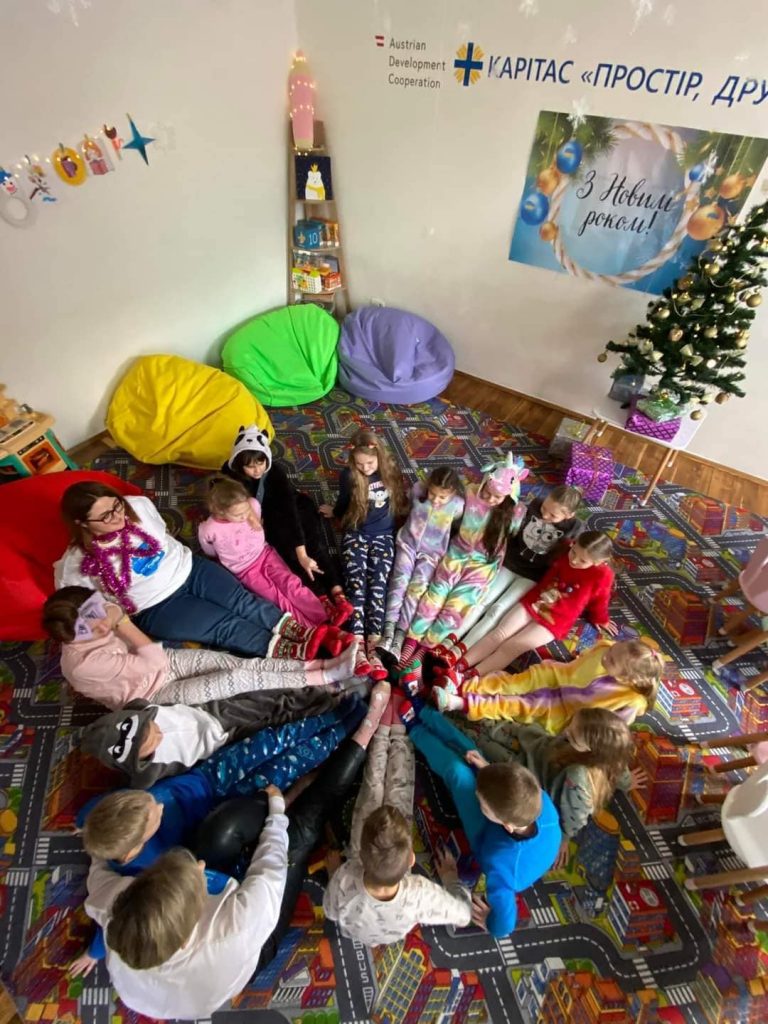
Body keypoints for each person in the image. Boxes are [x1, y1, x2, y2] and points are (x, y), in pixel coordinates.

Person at [82, 685, 392, 1019]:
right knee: (302, 828)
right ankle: (362, 738)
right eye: (197, 878)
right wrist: (276, 816)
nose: (200, 865)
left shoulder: (109, 899)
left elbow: (102, 860)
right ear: (187, 935)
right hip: (255, 942)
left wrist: (95, 830)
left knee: (224, 826)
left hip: (203, 894)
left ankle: (291, 787)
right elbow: (269, 871)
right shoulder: (234, 929)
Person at [54, 482, 339, 659]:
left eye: (117, 505)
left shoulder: (137, 506)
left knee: (244, 602)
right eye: (105, 516)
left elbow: (163, 534)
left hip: (190, 568)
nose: (118, 516)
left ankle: (311, 633)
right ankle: (305, 653)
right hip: (156, 606)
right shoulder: (76, 564)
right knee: (225, 627)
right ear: (82, 523)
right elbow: (80, 606)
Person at [42, 585, 358, 710]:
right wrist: (122, 622)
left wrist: (109, 613)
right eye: (89, 629)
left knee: (237, 663)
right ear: (70, 638)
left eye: (96, 613)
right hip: (149, 695)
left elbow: (111, 610)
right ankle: (325, 678)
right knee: (237, 679)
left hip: (161, 658)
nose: (101, 625)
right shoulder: (84, 665)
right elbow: (151, 660)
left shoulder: (95, 615)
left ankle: (318, 666)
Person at [323, 692, 472, 944]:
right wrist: (450, 880)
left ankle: (383, 734)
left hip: (359, 873)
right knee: (396, 793)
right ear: (410, 859)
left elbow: (331, 910)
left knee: (373, 790)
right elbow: (463, 915)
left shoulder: (346, 878)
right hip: (390, 917)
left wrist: (334, 871)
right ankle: (396, 733)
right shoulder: (418, 894)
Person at [402, 704, 561, 937]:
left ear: (505, 824)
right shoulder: (539, 800)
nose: (479, 796)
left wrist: (490, 921)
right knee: (472, 755)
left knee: (459, 774)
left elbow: (504, 927)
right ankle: (423, 710)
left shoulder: (501, 871)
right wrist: (487, 769)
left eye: (483, 803)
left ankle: (414, 727)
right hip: (511, 831)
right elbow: (507, 782)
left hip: (486, 839)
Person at [397, 453, 528, 686]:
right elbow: (438, 494)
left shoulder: (515, 512)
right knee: (433, 597)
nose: (490, 498)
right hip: (455, 555)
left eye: (497, 496)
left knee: (454, 610)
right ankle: (409, 645)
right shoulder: (469, 493)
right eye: (487, 492)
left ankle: (421, 655)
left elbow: (515, 532)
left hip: (483, 566)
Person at [456, 708, 645, 869]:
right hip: (537, 745)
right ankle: (457, 711)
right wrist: (627, 782)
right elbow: (618, 763)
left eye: (573, 736)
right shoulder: (610, 750)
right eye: (571, 726)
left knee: (477, 741)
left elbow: (575, 816)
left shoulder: (580, 781)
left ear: (592, 750)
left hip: (526, 772)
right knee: (487, 722)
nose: (567, 731)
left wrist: (564, 838)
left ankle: (456, 724)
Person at [436, 485, 583, 665]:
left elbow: (578, 564)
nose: (545, 516)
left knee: (497, 611)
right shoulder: (534, 506)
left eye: (553, 515)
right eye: (545, 508)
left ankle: (460, 649)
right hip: (510, 563)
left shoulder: (574, 531)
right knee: (482, 600)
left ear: (569, 516)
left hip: (532, 576)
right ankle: (448, 640)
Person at [222, 425, 352, 625]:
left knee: (313, 546)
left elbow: (289, 511)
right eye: (250, 466)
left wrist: (302, 553)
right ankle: (322, 600)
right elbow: (223, 501)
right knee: (289, 557)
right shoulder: (229, 475)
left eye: (260, 463)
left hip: (293, 508)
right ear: (240, 465)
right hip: (268, 521)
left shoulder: (275, 472)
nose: (257, 470)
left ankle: (338, 593)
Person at [445, 531, 617, 679]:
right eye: (573, 552)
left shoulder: (602, 576)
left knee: (513, 646)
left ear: (599, 562)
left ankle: (469, 676)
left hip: (556, 621)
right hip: (534, 602)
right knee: (500, 632)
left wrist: (601, 619)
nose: (574, 560)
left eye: (582, 561)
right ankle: (459, 665)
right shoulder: (565, 549)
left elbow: (600, 601)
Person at [319, 428, 408, 679]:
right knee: (356, 585)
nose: (365, 468)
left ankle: (374, 646)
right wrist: (335, 512)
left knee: (379, 585)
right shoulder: (349, 476)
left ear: (379, 456)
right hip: (356, 533)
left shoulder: (391, 472)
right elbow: (344, 501)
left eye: (369, 463)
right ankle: (357, 645)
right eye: (360, 464)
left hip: (383, 536)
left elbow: (400, 499)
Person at [433, 637, 661, 729]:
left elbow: (612, 731)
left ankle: (460, 703)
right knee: (513, 683)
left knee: (518, 705)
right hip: (554, 675)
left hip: (562, 710)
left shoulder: (630, 701)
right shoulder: (608, 648)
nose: (606, 656)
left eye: (611, 661)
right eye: (611, 651)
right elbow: (584, 660)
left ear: (626, 678)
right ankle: (463, 684)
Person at [198, 477, 333, 628]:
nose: (244, 516)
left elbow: (256, 515)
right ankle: (309, 628)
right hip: (245, 570)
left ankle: (323, 618)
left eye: (245, 511)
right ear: (220, 511)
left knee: (291, 584)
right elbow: (210, 551)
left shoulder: (253, 504)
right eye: (238, 515)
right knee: (276, 598)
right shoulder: (208, 529)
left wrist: (251, 516)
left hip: (266, 554)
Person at [376, 467, 465, 663]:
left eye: (442, 497)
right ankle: (388, 630)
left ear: (453, 493)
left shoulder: (458, 506)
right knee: (399, 581)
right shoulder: (418, 489)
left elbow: (458, 528)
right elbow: (407, 508)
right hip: (407, 545)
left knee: (416, 590)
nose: (436, 500)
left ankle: (400, 636)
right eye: (432, 494)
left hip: (432, 555)